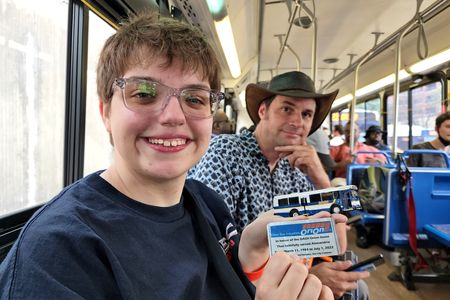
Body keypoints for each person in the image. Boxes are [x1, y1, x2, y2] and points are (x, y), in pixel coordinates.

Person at [0, 13, 335, 299]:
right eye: (144, 93)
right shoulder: (56, 254)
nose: (174, 116)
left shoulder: (207, 204)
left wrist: (248, 251)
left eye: (194, 99)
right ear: (105, 112)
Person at [190, 71, 370, 299]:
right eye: (287, 109)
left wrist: (321, 178)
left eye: (306, 114)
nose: (298, 122)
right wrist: (309, 276)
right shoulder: (225, 154)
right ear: (263, 111)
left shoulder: (295, 169)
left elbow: (335, 245)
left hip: (292, 275)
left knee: (356, 288)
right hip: (239, 288)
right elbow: (212, 250)